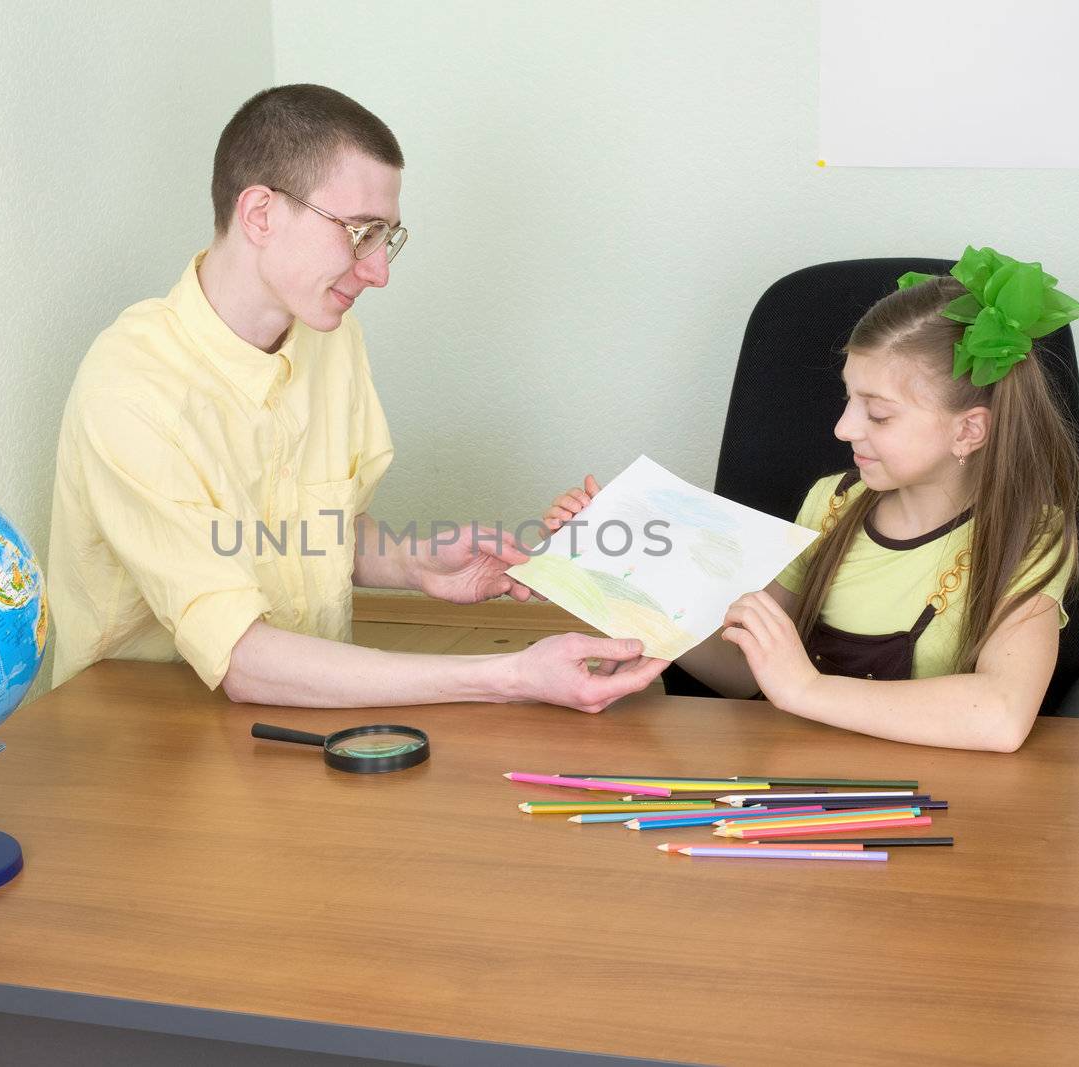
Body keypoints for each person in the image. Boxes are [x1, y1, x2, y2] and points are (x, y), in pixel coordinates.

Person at [48, 84, 666, 712]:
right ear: (260, 214)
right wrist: (508, 676)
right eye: (360, 233)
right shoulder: (130, 390)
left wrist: (413, 563)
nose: (378, 271)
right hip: (144, 742)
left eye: (387, 238)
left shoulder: (328, 336)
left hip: (305, 721)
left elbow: (311, 533)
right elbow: (244, 661)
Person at [542, 246, 1079, 750]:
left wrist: (804, 689)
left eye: (878, 413)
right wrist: (609, 573)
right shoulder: (831, 503)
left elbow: (1002, 716)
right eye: (848, 399)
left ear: (969, 431)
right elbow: (741, 673)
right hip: (794, 780)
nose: (843, 428)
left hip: (926, 803)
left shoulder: (1028, 535)